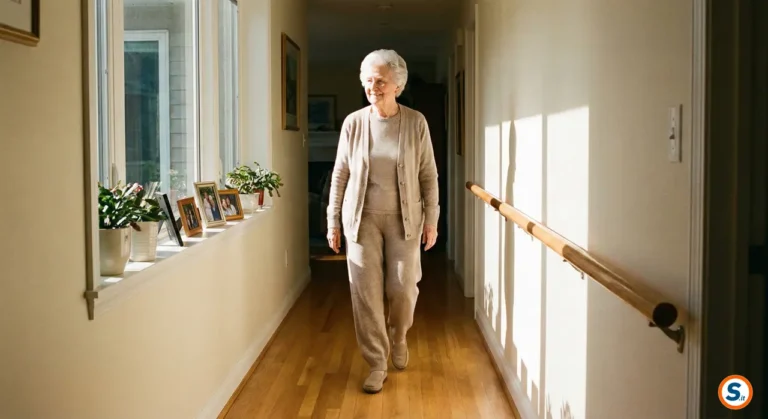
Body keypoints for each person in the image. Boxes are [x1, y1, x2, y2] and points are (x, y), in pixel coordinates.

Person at [326, 49, 439, 394]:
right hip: (361, 220)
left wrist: (432, 220)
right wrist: (333, 221)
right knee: (365, 293)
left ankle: (399, 334)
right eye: (368, 80)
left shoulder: (416, 122)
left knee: (403, 288)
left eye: (380, 81)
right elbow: (340, 174)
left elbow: (428, 175)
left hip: (406, 220)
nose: (372, 87)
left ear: (397, 86)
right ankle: (376, 362)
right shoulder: (354, 123)